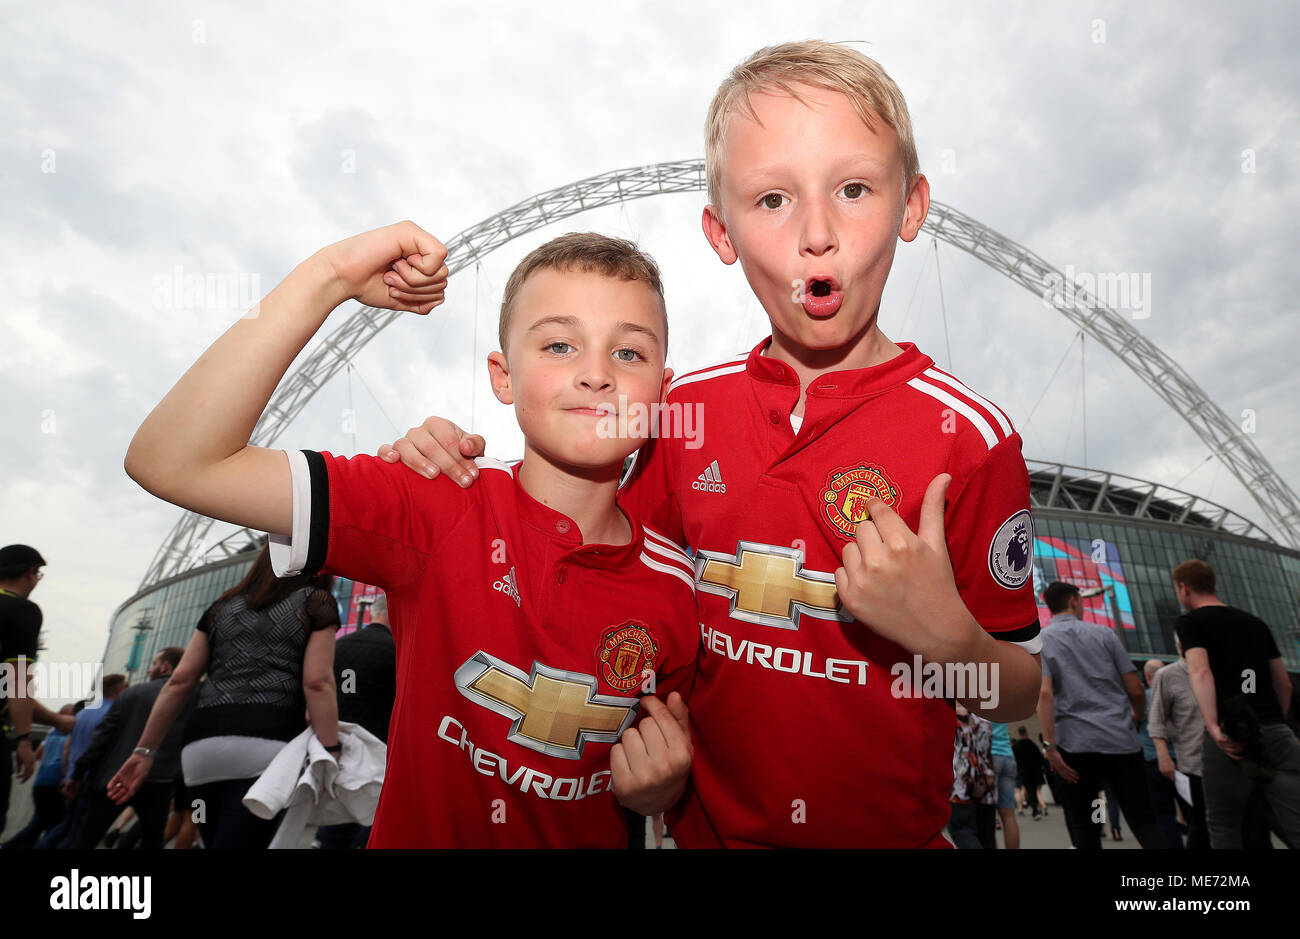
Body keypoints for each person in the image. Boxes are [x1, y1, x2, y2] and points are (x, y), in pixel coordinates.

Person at [380, 38, 1043, 848]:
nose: (818, 233)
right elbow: (586, 567)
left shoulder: (971, 439)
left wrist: (950, 640)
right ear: (720, 231)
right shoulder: (681, 413)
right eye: (771, 200)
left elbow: (1020, 693)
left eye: (855, 188)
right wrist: (436, 463)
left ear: (911, 207)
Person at [123, 225, 699, 848]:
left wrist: (655, 793)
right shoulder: (434, 501)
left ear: (663, 394)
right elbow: (173, 461)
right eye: (560, 345)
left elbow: (662, 761)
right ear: (502, 378)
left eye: (630, 353)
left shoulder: (681, 590)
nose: (596, 374)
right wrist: (331, 277)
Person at [108, 548, 339, 849]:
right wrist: (332, 750)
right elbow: (318, 682)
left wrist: (144, 752)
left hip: (200, 753)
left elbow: (179, 681)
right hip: (268, 747)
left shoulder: (222, 606)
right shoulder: (316, 602)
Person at [1171, 559, 1300, 849]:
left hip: (1231, 735)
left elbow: (1200, 672)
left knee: (1223, 823)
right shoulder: (1255, 623)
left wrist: (1213, 726)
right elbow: (1284, 683)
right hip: (1277, 732)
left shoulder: (1190, 622)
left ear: (1184, 588)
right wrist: (1275, 719)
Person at [1037, 581, 1167, 848]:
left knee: (1085, 828)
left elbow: (1045, 694)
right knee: (1144, 822)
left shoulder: (1043, 640)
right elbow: (1136, 690)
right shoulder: (1105, 635)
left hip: (1075, 747)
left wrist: (1050, 746)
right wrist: (1135, 718)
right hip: (1121, 742)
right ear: (1074, 601)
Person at [69, 648, 191, 849]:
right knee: (153, 840)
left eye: (154, 663)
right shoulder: (192, 698)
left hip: (116, 779)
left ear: (165, 667)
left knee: (87, 837)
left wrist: (78, 773)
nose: (150, 668)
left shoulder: (131, 694)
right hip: (160, 783)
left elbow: (101, 739)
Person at [1, 543, 76, 834]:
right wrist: (23, 740)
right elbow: (17, 682)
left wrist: (56, 720)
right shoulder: (22, 611)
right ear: (31, 573)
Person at [315, 593, 396, 849]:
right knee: (370, 825)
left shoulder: (338, 647)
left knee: (336, 828)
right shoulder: (399, 651)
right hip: (379, 759)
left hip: (337, 753)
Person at [35, 675, 127, 849]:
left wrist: (67, 776)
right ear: (119, 690)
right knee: (79, 833)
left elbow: (67, 748)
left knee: (66, 826)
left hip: (73, 778)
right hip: (94, 781)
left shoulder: (83, 713)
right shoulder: (115, 713)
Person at [1149, 634, 1208, 849]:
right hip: (1191, 766)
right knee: (1200, 826)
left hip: (1226, 762)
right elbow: (1156, 720)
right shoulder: (1168, 675)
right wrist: (1163, 755)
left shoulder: (1219, 671)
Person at [0, 704, 74, 849]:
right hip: (56, 781)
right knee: (57, 824)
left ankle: (7, 846)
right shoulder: (70, 734)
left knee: (38, 824)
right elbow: (20, 696)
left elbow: (38, 754)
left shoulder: (50, 734)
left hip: (41, 782)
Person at [1137, 658, 1183, 848]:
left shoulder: (1144, 698)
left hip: (1153, 760)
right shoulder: (1179, 694)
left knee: (1163, 814)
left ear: (1148, 676)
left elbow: (1133, 722)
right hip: (1183, 759)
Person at [948, 705, 997, 848]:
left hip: (963, 778)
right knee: (986, 834)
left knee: (961, 828)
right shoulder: (984, 719)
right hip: (987, 778)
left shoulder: (956, 714)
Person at [990, 722, 1021, 848]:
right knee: (1009, 816)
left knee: (986, 817)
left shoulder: (976, 702)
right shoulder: (1002, 702)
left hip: (989, 755)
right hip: (1007, 755)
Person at [1012, 726, 1046, 819]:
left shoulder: (1015, 747)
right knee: (1036, 790)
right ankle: (1038, 809)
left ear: (1019, 733)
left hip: (1023, 771)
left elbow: (1013, 760)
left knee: (1029, 790)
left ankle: (1035, 810)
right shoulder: (1033, 744)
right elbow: (1040, 759)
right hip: (1035, 771)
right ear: (1026, 732)